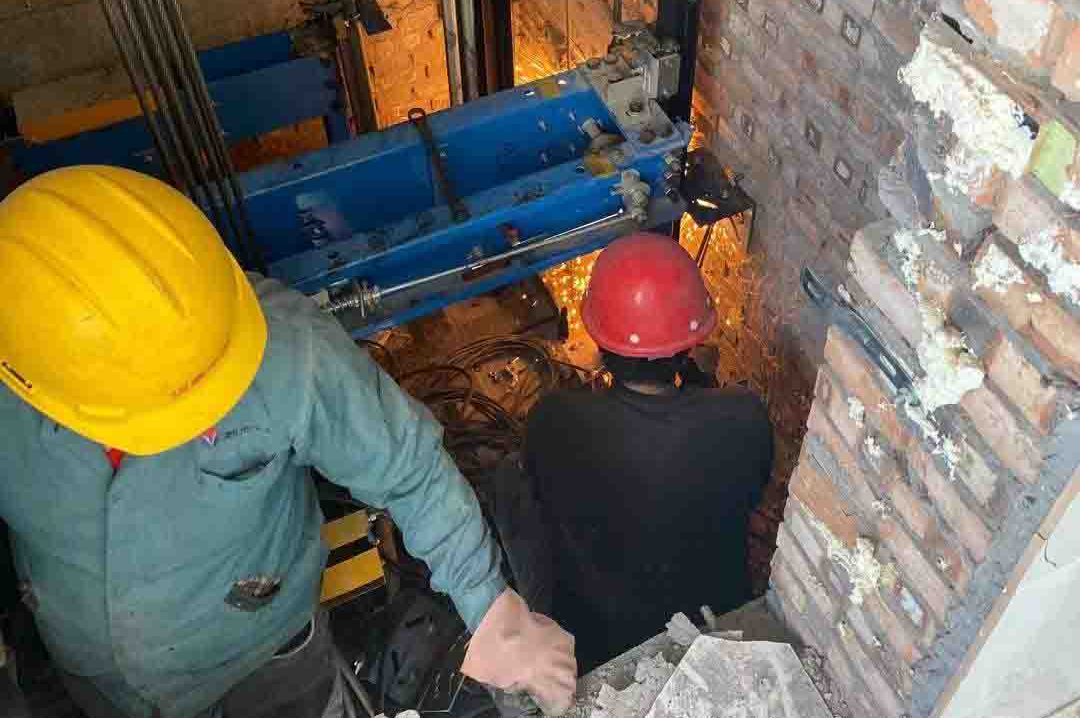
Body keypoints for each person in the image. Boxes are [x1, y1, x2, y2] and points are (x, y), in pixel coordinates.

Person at [0, 166, 576, 718]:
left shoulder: (277, 343)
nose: (212, 404)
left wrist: (492, 609)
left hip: (269, 651)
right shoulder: (18, 381)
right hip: (98, 677)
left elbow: (407, 469)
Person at [519, 232, 774, 673]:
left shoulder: (553, 420)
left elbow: (543, 493)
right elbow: (749, 489)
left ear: (600, 342)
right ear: (688, 346)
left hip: (599, 639)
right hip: (714, 622)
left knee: (509, 483)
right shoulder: (743, 415)